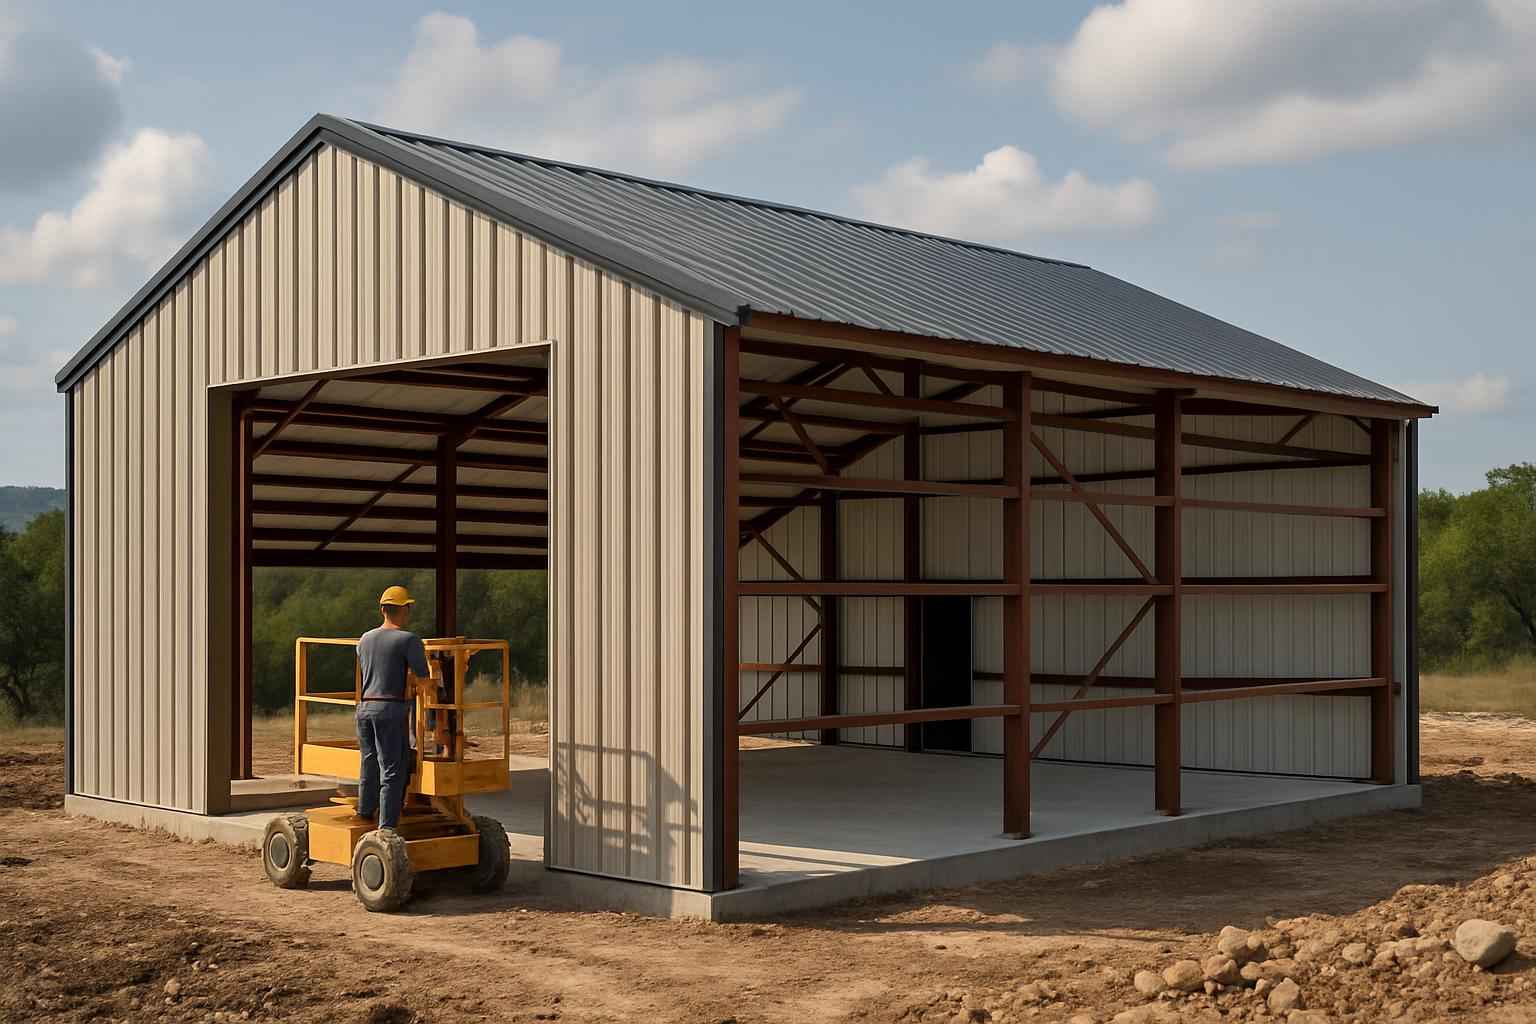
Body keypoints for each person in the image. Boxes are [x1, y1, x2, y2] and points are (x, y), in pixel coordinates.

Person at [355, 585, 429, 830]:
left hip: (365, 708)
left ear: (383, 610)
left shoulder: (364, 639)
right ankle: (387, 827)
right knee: (393, 769)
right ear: (404, 610)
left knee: (369, 761)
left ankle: (365, 812)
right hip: (390, 709)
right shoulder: (408, 639)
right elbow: (423, 678)